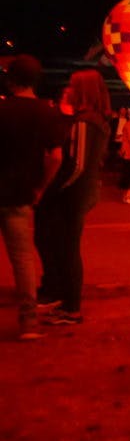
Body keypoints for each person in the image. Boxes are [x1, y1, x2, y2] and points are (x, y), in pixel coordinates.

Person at [33, 69, 111, 327]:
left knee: (67, 249)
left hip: (74, 194)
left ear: (83, 90)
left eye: (74, 86)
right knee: (65, 247)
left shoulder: (85, 122)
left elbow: (76, 165)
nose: (70, 89)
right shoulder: (97, 119)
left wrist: (51, 189)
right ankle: (66, 302)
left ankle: (71, 307)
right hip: (80, 191)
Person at [0, 55, 66, 340]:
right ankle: (28, 323)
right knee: (23, 258)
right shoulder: (47, 113)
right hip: (21, 194)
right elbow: (55, 157)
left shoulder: (2, 109)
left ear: (10, 80)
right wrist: (41, 187)